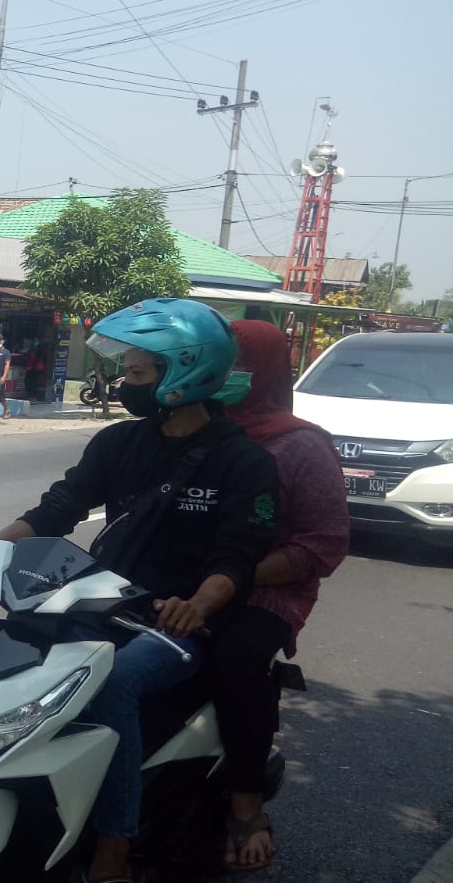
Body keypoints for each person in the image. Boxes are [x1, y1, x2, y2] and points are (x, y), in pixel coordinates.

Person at [0, 298, 280, 883]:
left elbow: (237, 556)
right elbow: (58, 509)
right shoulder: (119, 443)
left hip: (175, 625)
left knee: (113, 681)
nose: (126, 384)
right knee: (5, 654)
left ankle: (114, 847)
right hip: (97, 602)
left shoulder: (243, 463)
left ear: (183, 375)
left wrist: (197, 605)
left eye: (138, 373)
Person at [212, 319, 349, 871]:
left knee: (233, 660)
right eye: (219, 363)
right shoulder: (196, 427)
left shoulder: (302, 445)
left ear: (265, 371)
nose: (226, 375)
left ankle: (246, 806)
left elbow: (324, 544)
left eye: (238, 365)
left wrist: (235, 579)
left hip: (267, 591)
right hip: (185, 578)